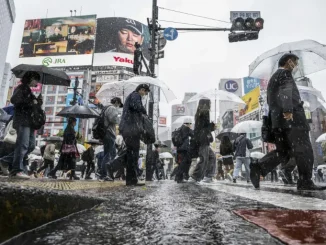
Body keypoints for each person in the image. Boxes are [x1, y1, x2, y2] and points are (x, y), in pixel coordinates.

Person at [250, 53, 325, 190]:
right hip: (292, 121)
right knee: (304, 150)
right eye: (295, 63)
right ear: (289, 62)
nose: (296, 66)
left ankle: (259, 167)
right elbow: (286, 91)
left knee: (284, 151)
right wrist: (288, 110)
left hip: (279, 123)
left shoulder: (273, 78)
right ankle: (305, 182)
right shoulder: (285, 74)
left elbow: (270, 101)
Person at [10, 71, 42, 179]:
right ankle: (16, 170)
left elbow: (31, 105)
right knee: (22, 145)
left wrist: (37, 101)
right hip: (22, 121)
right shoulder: (21, 88)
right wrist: (31, 102)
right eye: (36, 79)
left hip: (29, 122)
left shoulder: (29, 91)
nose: (37, 82)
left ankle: (5, 160)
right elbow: (14, 100)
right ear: (31, 78)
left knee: (31, 145)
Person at [119, 84, 149, 186]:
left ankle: (131, 179)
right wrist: (144, 110)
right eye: (145, 92)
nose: (145, 94)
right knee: (133, 154)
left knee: (131, 153)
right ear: (141, 90)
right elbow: (137, 107)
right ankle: (132, 179)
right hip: (130, 129)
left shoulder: (132, 96)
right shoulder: (136, 95)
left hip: (128, 128)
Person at [188, 98, 216, 184]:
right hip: (203, 139)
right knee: (204, 158)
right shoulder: (204, 113)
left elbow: (200, 127)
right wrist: (212, 126)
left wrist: (209, 126)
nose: (210, 105)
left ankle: (209, 175)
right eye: (209, 103)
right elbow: (204, 128)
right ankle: (195, 177)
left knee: (212, 157)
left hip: (200, 139)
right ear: (206, 104)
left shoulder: (199, 113)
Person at [100, 97, 123, 181]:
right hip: (109, 132)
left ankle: (104, 173)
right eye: (119, 104)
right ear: (116, 102)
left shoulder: (105, 107)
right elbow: (114, 120)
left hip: (105, 133)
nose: (118, 106)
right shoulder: (112, 108)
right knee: (109, 154)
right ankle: (104, 174)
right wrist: (118, 115)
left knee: (107, 153)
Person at [175, 118, 194, 183]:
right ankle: (180, 178)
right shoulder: (186, 128)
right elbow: (193, 134)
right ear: (188, 123)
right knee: (184, 163)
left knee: (182, 163)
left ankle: (180, 177)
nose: (191, 125)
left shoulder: (180, 128)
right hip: (184, 149)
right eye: (190, 124)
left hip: (180, 149)